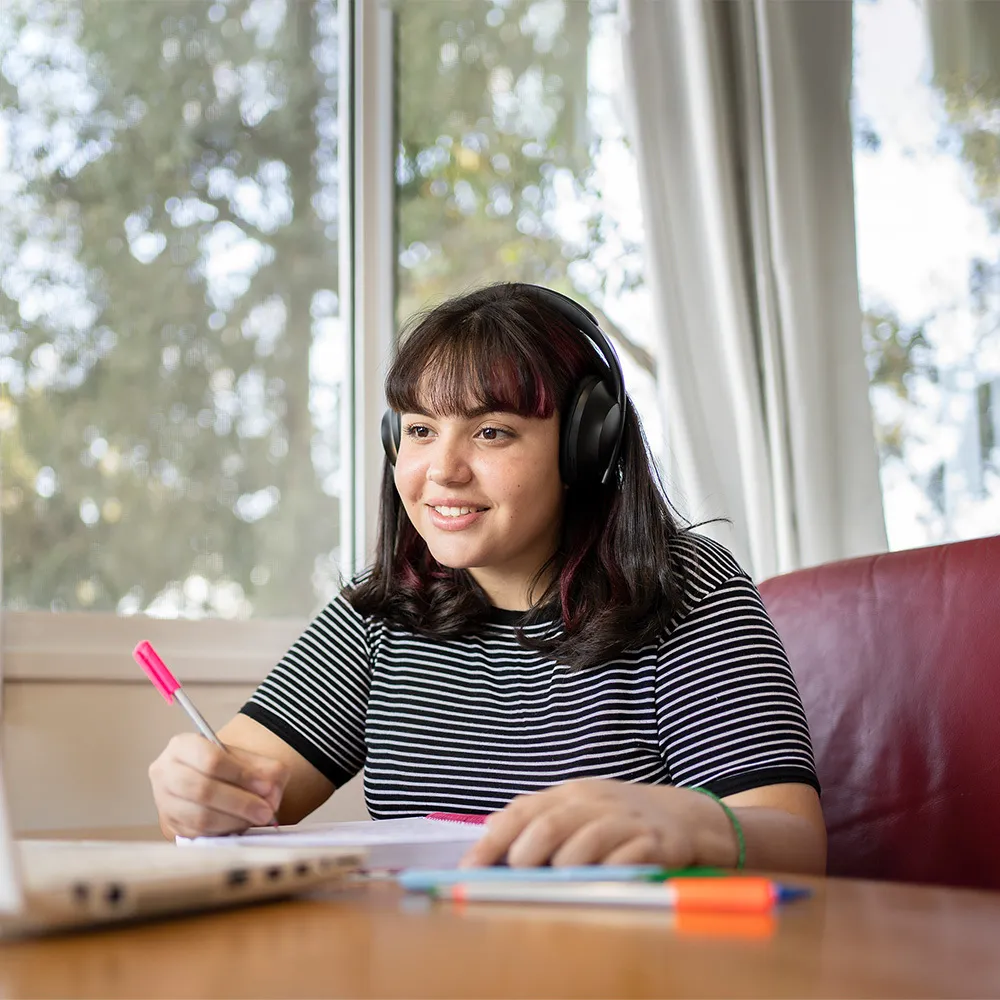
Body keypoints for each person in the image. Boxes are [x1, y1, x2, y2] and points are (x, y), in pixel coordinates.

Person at [149, 283, 826, 873]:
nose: (443, 470)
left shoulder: (686, 589)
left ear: (584, 446)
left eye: (492, 432)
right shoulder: (382, 611)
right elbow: (243, 787)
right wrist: (199, 793)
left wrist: (691, 824)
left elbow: (795, 841)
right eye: (420, 431)